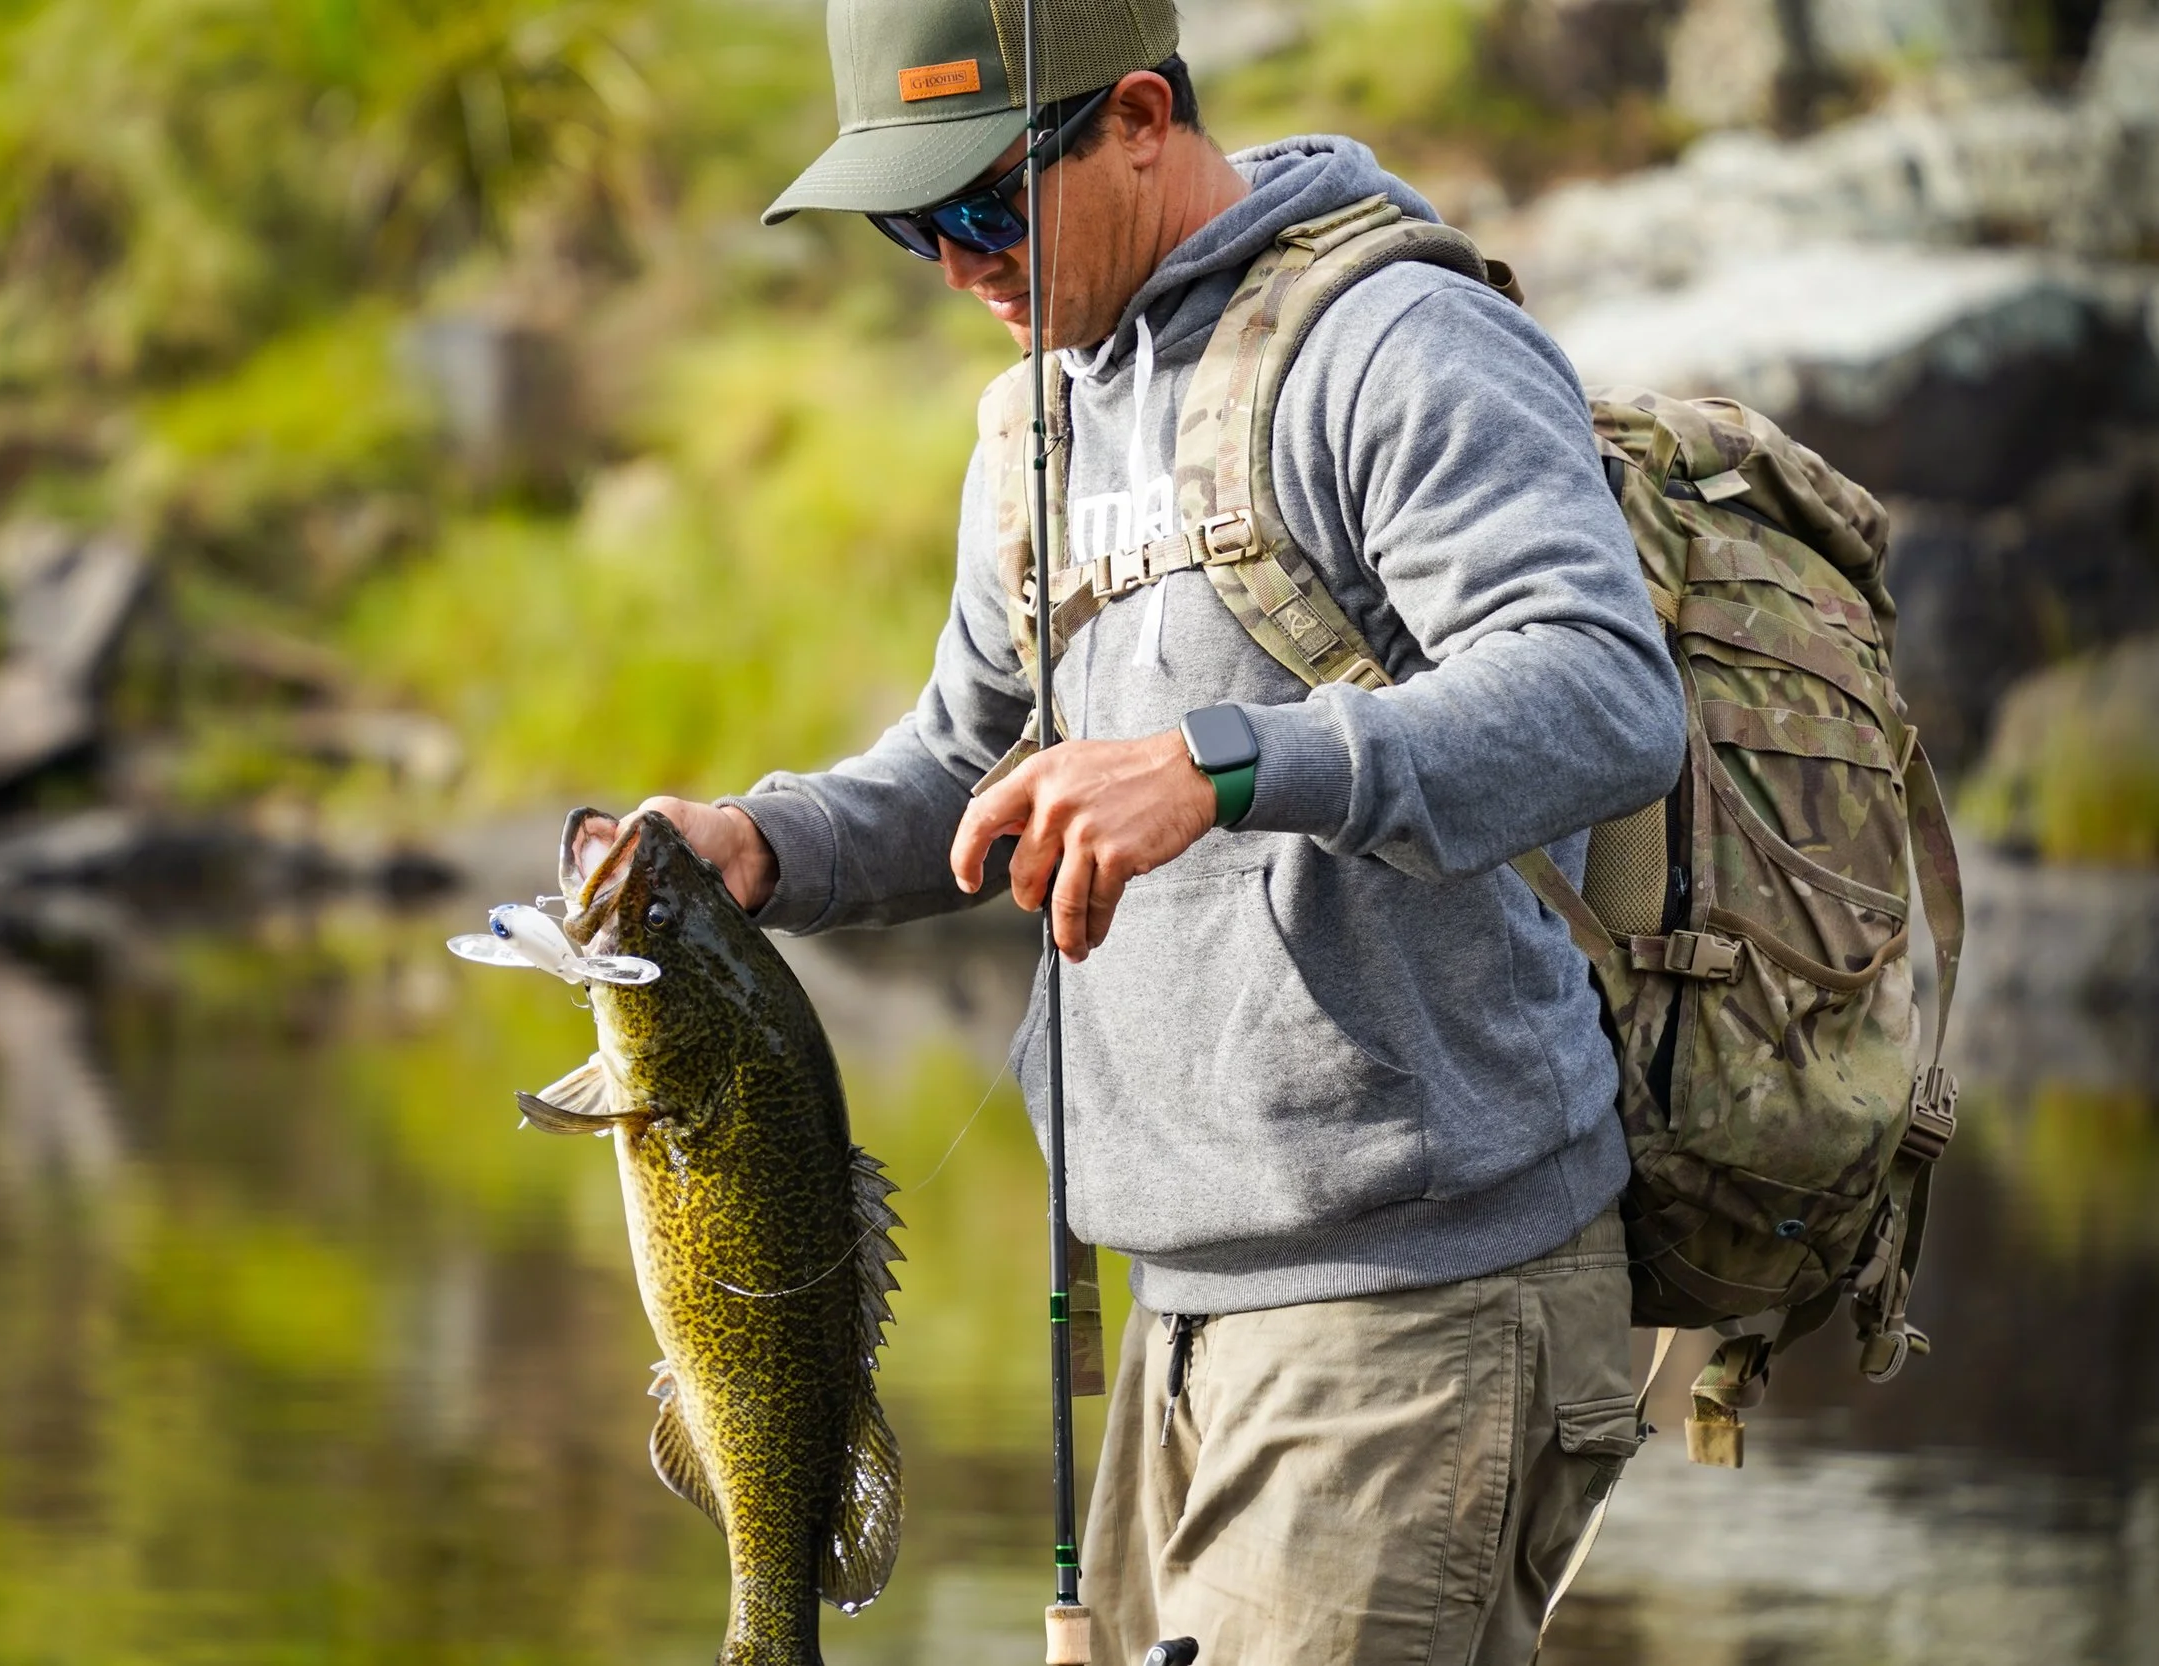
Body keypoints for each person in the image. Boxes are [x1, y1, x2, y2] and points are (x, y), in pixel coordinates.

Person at [634, 0, 1687, 1658]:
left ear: (1138, 116)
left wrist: (1219, 765)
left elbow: (1607, 694)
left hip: (1421, 1309)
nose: (955, 262)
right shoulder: (1037, 421)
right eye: (911, 225)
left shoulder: (1395, 341)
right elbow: (964, 775)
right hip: (1173, 1315)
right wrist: (775, 845)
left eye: (985, 202)